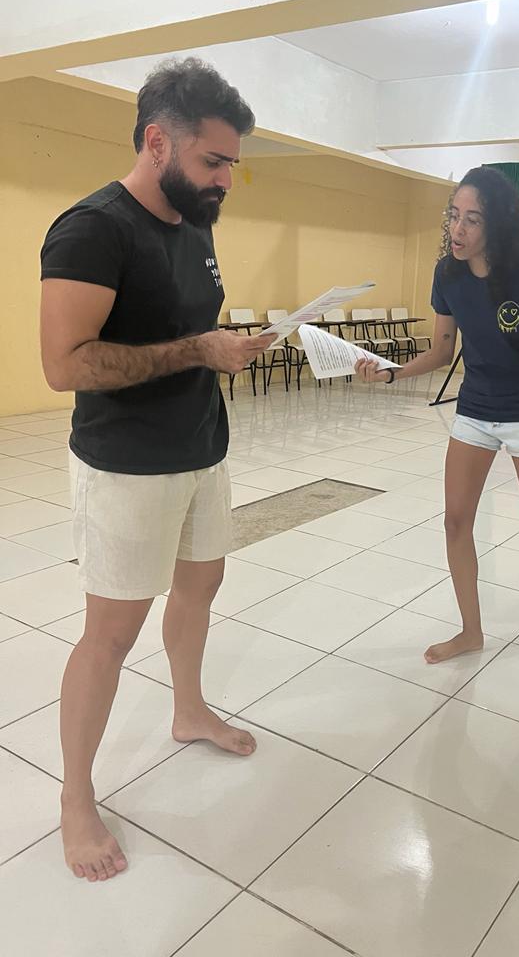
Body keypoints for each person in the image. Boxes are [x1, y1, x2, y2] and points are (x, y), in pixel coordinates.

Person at [40, 58, 277, 883]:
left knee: (201, 588)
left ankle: (187, 710)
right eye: (214, 161)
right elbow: (64, 365)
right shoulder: (91, 230)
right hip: (127, 466)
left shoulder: (194, 219)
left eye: (232, 164)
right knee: (110, 634)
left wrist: (228, 348)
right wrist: (197, 351)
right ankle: (75, 796)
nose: (225, 181)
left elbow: (186, 331)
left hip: (201, 449)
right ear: (157, 142)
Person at [356, 166, 519, 672]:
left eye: (472, 219)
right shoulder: (448, 273)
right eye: (453, 216)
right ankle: (470, 630)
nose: (457, 229)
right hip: (476, 410)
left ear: (496, 223)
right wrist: (392, 373)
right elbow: (442, 350)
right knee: (455, 521)